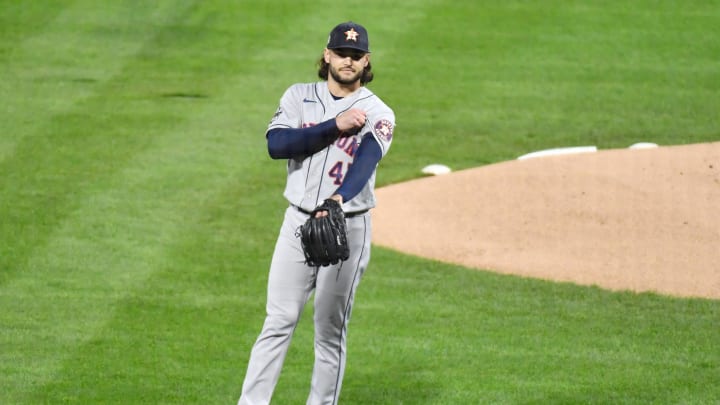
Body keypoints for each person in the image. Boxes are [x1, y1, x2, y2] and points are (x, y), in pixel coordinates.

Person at [237, 21, 395, 405]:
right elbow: (278, 145)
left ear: (366, 61)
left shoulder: (379, 112)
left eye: (356, 56)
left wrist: (338, 200)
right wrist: (334, 127)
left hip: (347, 227)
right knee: (278, 321)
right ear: (327, 55)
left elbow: (366, 160)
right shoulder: (298, 97)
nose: (348, 61)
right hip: (297, 222)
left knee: (329, 330)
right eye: (342, 53)